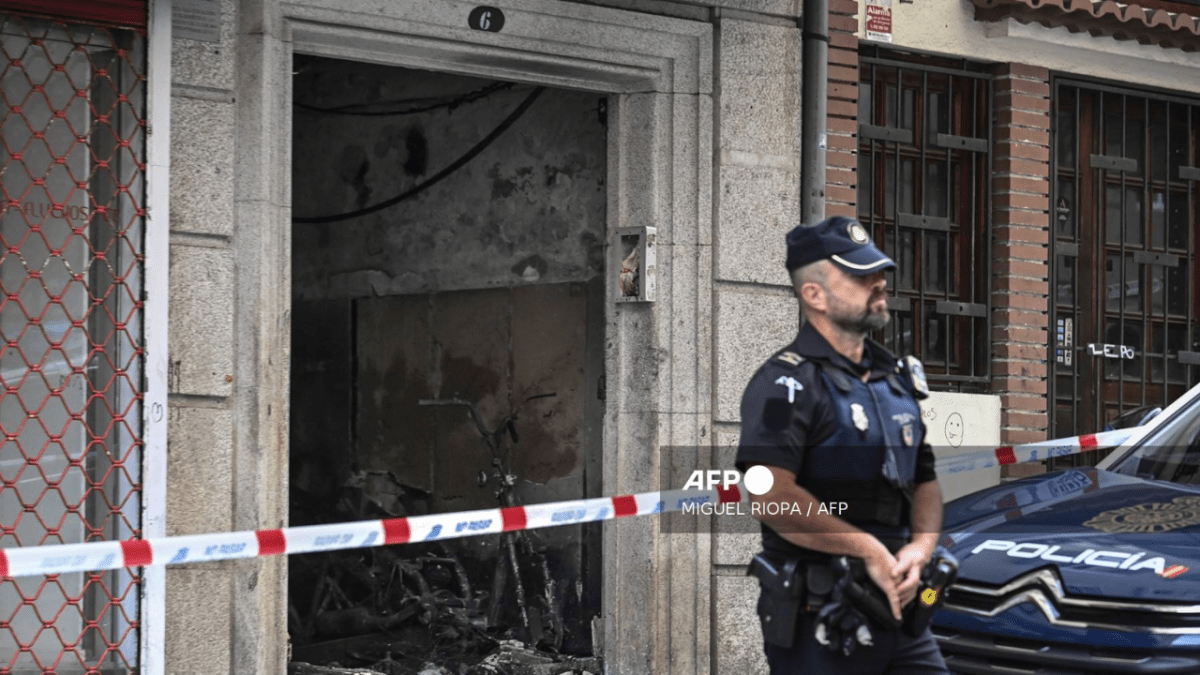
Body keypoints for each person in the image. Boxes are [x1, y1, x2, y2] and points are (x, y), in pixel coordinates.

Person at [736, 216, 949, 674]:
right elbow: (770, 495)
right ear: (814, 295)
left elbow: (925, 481)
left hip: (903, 615)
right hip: (823, 619)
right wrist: (866, 549)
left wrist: (920, 550)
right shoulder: (784, 384)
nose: (878, 283)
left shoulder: (895, 379)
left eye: (879, 272)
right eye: (859, 275)